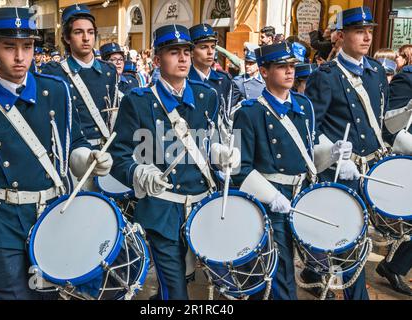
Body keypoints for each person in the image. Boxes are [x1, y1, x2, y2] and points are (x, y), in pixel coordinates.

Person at [0, 7, 112, 300]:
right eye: (9, 47)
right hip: (0, 222)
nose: (20, 57)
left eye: (27, 47)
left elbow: (74, 143)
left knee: (53, 296)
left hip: (52, 213)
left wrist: (89, 160)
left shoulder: (55, 90)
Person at [109, 24, 239, 300]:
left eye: (186, 52)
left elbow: (207, 141)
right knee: (176, 289)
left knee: (197, 278)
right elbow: (118, 156)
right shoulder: (138, 101)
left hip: (201, 204)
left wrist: (219, 153)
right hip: (161, 208)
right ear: (157, 60)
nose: (182, 59)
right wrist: (139, 172)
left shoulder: (207, 95)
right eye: (173, 52)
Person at [231, 41, 351, 300]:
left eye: (292, 66)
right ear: (264, 71)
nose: (289, 72)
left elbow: (308, 154)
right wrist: (271, 196)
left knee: (321, 255)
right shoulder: (249, 112)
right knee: (281, 268)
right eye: (281, 66)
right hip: (271, 199)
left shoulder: (304, 105)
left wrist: (331, 154)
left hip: (302, 193)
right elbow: (241, 169)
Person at [305, 6, 390, 300]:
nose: (367, 37)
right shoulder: (325, 76)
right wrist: (333, 154)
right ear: (341, 36)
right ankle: (356, 295)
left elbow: (380, 119)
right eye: (359, 32)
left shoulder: (377, 71)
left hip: (370, 168)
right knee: (349, 235)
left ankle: (313, 269)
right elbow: (310, 128)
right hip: (339, 169)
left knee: (360, 233)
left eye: (369, 32)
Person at [41, 4, 118, 153]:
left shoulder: (109, 71)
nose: (86, 38)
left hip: (105, 150)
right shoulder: (54, 72)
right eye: (78, 32)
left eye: (90, 32)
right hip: (72, 153)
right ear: (66, 38)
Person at [378, 46, 412, 297]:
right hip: (403, 160)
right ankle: (317, 269)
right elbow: (390, 127)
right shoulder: (407, 78)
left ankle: (394, 266)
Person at [188, 23, 233, 137]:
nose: (210, 52)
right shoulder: (183, 80)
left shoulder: (224, 80)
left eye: (212, 47)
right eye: (203, 47)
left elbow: (225, 117)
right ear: (192, 52)